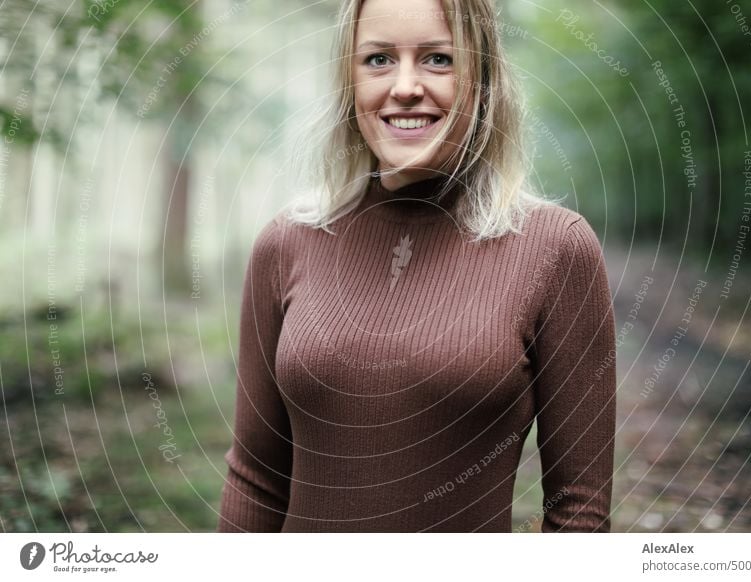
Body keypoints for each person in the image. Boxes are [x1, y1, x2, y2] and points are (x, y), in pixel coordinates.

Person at [217, 0, 616, 533]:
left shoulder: (556, 249)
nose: (404, 86)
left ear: (483, 79)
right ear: (348, 81)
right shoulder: (286, 243)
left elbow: (578, 511)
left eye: (437, 59)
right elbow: (255, 479)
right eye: (378, 60)